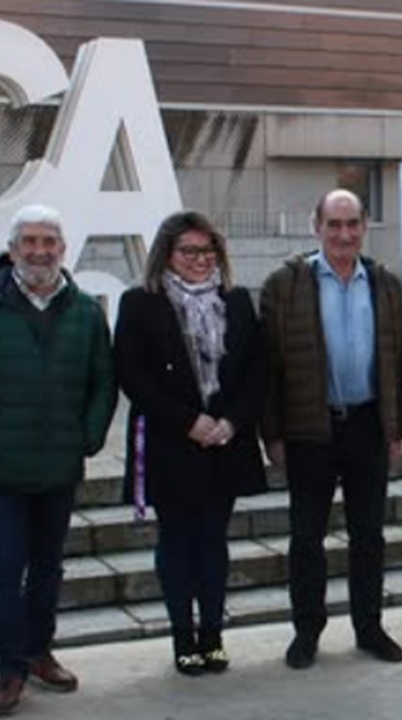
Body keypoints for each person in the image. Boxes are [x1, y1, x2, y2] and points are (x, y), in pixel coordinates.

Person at [0, 205, 117, 716]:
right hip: (2, 468)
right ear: (12, 248)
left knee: (47, 568)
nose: (40, 251)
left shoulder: (84, 309)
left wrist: (88, 436)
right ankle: (10, 667)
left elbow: (103, 380)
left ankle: (39, 651)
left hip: (59, 465)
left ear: (63, 249)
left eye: (50, 242)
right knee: (3, 568)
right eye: (30, 241)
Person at [115, 211, 268, 674]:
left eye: (207, 251)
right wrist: (189, 421)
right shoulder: (141, 302)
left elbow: (257, 372)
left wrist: (231, 422)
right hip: (171, 442)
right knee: (178, 541)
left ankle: (213, 637)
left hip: (224, 443)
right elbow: (132, 374)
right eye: (189, 251)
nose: (200, 260)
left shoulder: (237, 300)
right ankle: (183, 637)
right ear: (167, 254)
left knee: (213, 542)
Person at [261, 189, 402, 670]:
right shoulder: (285, 284)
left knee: (370, 536)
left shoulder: (384, 284)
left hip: (367, 425)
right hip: (310, 429)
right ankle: (307, 631)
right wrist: (273, 434)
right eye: (334, 224)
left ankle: (370, 628)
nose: (343, 234)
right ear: (316, 227)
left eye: (352, 224)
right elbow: (270, 367)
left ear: (365, 226)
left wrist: (395, 429)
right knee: (307, 537)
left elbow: (397, 362)